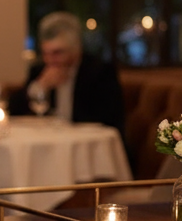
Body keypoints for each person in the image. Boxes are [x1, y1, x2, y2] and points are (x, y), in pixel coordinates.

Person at [9, 11, 127, 140]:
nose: (50, 60)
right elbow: (14, 110)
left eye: (57, 53)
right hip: (50, 143)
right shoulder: (39, 70)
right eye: (45, 53)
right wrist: (40, 86)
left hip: (87, 146)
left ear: (76, 49)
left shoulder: (100, 72)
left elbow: (108, 119)